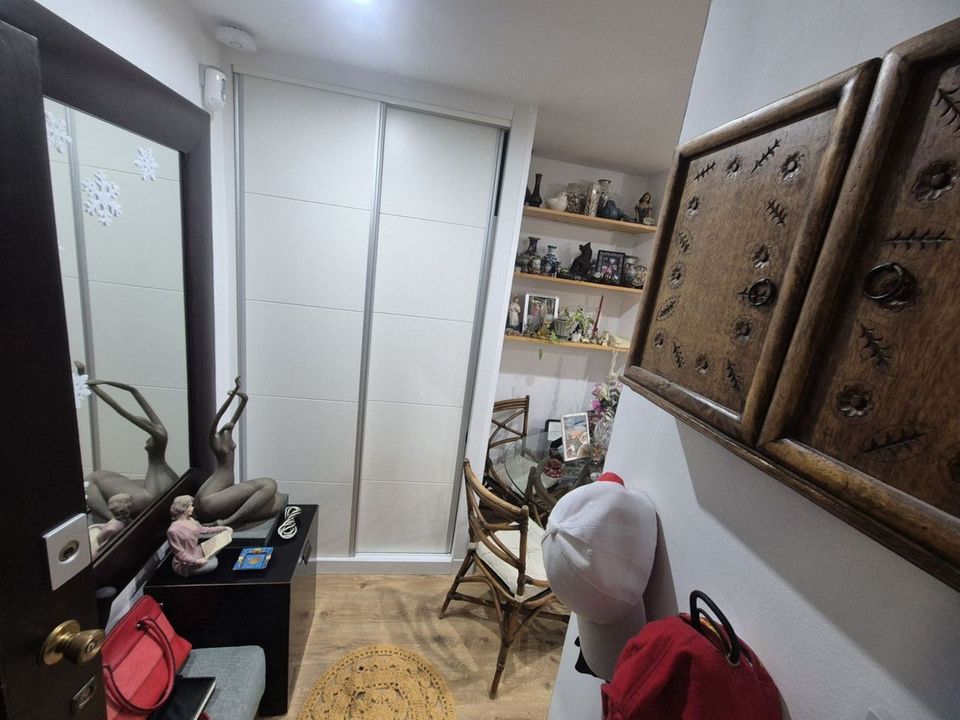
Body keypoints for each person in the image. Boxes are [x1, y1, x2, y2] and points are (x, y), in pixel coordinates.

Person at [77, 361, 179, 522]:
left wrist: (95, 387)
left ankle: (113, 520)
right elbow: (133, 391)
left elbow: (120, 410)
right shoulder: (160, 428)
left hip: (155, 488)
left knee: (92, 480)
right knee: (103, 476)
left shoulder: (156, 434)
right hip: (166, 478)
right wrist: (103, 382)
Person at [194, 377, 284, 527]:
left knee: (278, 500)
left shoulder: (227, 434)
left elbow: (238, 412)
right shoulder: (215, 440)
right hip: (210, 497)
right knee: (269, 484)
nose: (231, 424)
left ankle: (233, 516)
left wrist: (242, 397)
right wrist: (231, 396)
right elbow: (218, 416)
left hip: (224, 489)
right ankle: (228, 522)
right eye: (228, 425)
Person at [167, 495, 230, 577]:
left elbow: (204, 530)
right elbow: (179, 553)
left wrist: (222, 528)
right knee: (213, 564)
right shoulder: (173, 530)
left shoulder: (191, 520)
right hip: (185, 562)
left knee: (218, 544)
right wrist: (195, 561)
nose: (192, 508)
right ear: (183, 509)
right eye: (190, 506)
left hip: (197, 551)